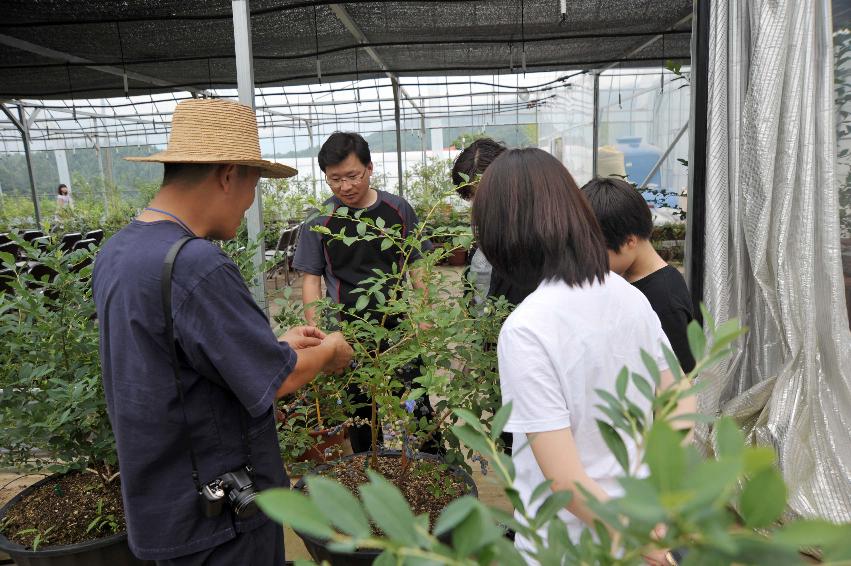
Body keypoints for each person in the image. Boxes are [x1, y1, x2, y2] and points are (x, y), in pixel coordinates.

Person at [93, 98, 353, 566]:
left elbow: (176, 362)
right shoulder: (196, 263)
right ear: (228, 174)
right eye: (254, 183)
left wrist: (271, 349)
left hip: (164, 501)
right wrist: (329, 350)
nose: (252, 200)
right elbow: (282, 381)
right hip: (221, 515)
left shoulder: (120, 251)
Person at [471, 148, 694, 565]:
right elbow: (681, 400)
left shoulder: (528, 328)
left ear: (501, 232)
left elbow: (564, 480)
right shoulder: (627, 294)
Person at [292, 131, 436, 454]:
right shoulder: (320, 220)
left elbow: (418, 266)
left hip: (398, 329)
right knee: (360, 416)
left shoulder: (398, 210)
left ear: (370, 168)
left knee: (418, 404)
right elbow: (311, 280)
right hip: (348, 334)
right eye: (335, 179)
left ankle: (431, 465)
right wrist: (320, 335)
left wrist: (425, 318)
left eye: (353, 176)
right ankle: (369, 477)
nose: (345, 187)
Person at [581, 177, 696, 372]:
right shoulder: (626, 278)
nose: (592, 262)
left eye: (598, 253)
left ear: (629, 241)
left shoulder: (664, 299)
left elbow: (682, 377)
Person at [451, 138, 536, 306]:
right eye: (471, 196)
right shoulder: (482, 232)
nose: (477, 203)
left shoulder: (534, 235)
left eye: (484, 193)